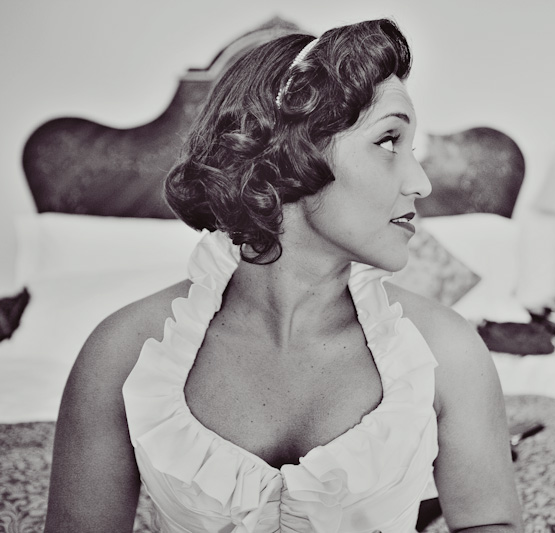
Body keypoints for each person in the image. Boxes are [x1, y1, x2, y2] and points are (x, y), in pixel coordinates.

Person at [45, 18, 522, 532]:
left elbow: (489, 523)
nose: (421, 182)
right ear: (287, 152)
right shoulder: (123, 352)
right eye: (389, 141)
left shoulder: (446, 352)